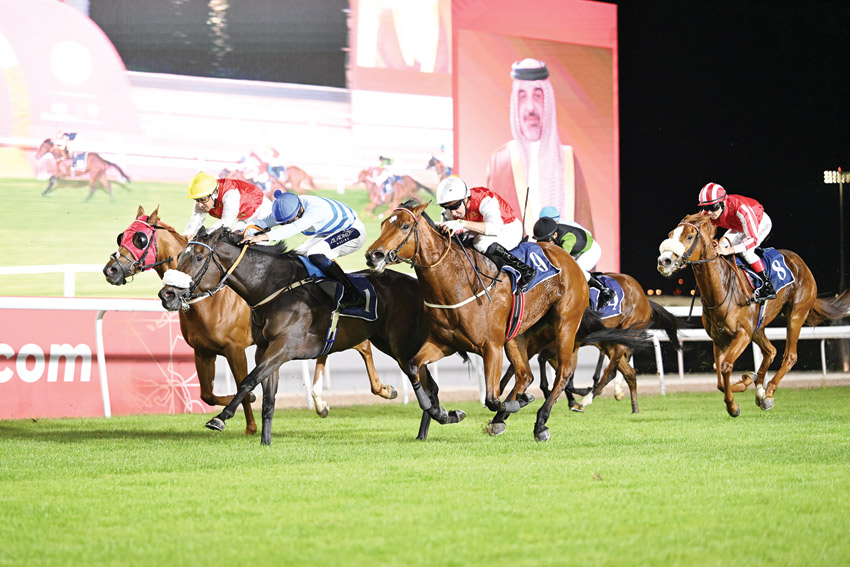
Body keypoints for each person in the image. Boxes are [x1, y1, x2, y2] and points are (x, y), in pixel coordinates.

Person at [485, 58, 594, 236]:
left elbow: (585, 232)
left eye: (537, 96)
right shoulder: (500, 162)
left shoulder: (568, 161)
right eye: (523, 97)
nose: (530, 108)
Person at [241, 191, 367, 308]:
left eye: (290, 221)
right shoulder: (289, 208)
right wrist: (240, 232)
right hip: (331, 232)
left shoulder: (314, 210)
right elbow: (264, 222)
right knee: (298, 256)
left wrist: (262, 237)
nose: (287, 223)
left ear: (300, 210)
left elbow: (293, 228)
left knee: (315, 253)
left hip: (353, 232)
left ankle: (352, 294)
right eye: (284, 222)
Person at [436, 176, 536, 290]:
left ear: (465, 199)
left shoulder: (484, 199)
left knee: (480, 243)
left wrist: (462, 223)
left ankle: (525, 270)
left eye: (455, 206)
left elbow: (495, 228)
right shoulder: (450, 211)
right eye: (447, 207)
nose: (452, 212)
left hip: (508, 227)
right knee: (461, 241)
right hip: (482, 230)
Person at [698, 182, 776, 303]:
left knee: (746, 252)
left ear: (723, 202)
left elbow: (752, 239)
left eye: (713, 207)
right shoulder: (707, 212)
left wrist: (728, 250)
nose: (709, 212)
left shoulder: (742, 209)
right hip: (738, 226)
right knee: (721, 247)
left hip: (759, 222)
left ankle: (767, 286)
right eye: (705, 208)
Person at [532, 206, 614, 305]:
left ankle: (605, 290)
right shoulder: (549, 230)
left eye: (546, 240)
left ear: (555, 235)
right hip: (575, 249)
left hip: (590, 251)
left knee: (576, 270)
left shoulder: (568, 239)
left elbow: (562, 259)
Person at [183, 171, 273, 238]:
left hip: (261, 212)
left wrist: (202, 236)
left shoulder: (230, 194)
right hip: (241, 217)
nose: (199, 205)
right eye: (196, 200)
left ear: (214, 193)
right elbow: (196, 219)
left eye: (203, 199)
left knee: (256, 244)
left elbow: (226, 223)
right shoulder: (205, 195)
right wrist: (187, 235)